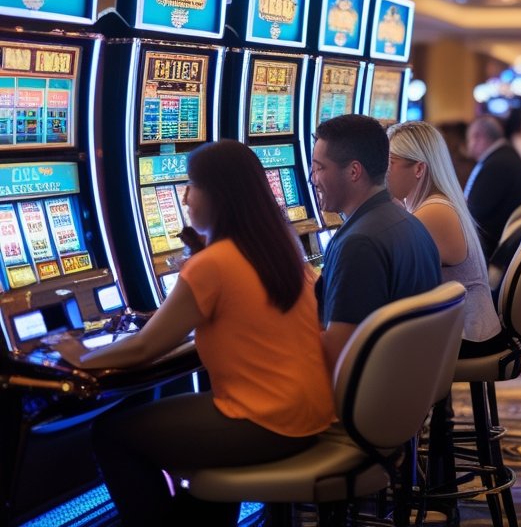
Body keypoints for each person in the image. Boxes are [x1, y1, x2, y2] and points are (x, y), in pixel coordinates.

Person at [63, 140, 333, 526]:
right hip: (309, 413)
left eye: (193, 185)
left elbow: (144, 346)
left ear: (220, 195)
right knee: (193, 450)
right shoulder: (280, 247)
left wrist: (78, 357)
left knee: (111, 434)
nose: (186, 197)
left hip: (265, 422)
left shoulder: (214, 264)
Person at [312, 114, 442, 372]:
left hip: (373, 391)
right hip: (408, 383)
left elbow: (338, 357)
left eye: (319, 168)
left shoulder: (359, 244)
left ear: (353, 171)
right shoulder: (408, 222)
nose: (312, 179)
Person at [386, 120, 502, 349]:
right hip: (464, 326)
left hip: (469, 336)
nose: (383, 173)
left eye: (390, 163)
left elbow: (394, 276)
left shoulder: (435, 211)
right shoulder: (433, 205)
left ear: (419, 169)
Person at [465, 115, 521, 261]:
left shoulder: (496, 165)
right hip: (501, 246)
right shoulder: (504, 156)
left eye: (469, 139)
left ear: (479, 137)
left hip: (491, 250)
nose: (469, 146)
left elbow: (472, 213)